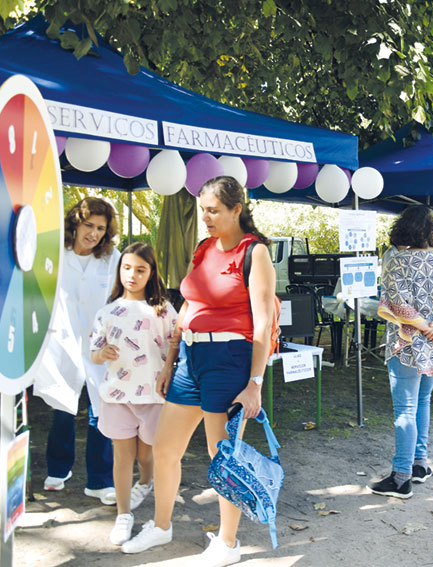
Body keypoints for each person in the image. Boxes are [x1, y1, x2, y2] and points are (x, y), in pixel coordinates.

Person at [122, 176, 276, 567]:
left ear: (236, 209)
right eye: (202, 209)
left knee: (221, 456)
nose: (205, 217)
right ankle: (161, 527)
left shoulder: (254, 252)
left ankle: (227, 544)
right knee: (165, 448)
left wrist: (254, 384)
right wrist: (171, 362)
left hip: (230, 359)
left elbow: (262, 323)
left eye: (213, 211)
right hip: (191, 358)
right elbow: (188, 306)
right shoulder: (204, 247)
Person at [370, 205, 433, 498]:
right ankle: (419, 464)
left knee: (405, 410)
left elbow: (398, 307)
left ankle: (401, 478)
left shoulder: (398, 263)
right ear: (430, 231)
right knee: (422, 401)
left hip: (408, 347)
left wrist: (428, 328)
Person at [90, 243, 178, 545]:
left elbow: (175, 346)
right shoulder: (107, 311)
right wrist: (102, 353)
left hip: (154, 396)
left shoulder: (163, 309)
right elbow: (94, 353)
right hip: (117, 395)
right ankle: (123, 515)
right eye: (127, 267)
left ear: (151, 273)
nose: (132, 274)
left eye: (140, 269)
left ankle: (146, 481)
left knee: (146, 454)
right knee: (122, 457)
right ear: (120, 269)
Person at [38, 197, 120, 503]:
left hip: (100, 346)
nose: (94, 233)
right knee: (62, 409)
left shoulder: (112, 259)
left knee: (100, 413)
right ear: (76, 222)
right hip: (62, 342)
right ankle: (58, 469)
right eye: (89, 225)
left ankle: (100, 480)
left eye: (100, 228)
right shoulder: (55, 254)